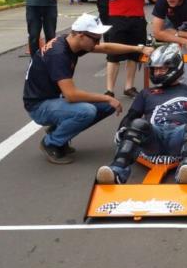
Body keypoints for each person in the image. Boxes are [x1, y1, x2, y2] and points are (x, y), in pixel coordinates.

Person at [23, 13, 154, 164]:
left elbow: (106, 47)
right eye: (95, 38)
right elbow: (71, 95)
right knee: (87, 111)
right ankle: (51, 142)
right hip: (39, 106)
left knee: (106, 106)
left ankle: (58, 132)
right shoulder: (58, 54)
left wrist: (139, 49)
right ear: (80, 35)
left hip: (53, 98)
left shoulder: (71, 41)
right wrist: (107, 96)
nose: (98, 42)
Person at [95, 43, 187, 185]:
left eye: (162, 69)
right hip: (154, 135)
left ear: (175, 68)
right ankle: (116, 171)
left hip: (179, 135)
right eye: (155, 69)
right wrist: (122, 131)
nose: (157, 73)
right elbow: (131, 116)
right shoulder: (146, 93)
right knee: (138, 124)